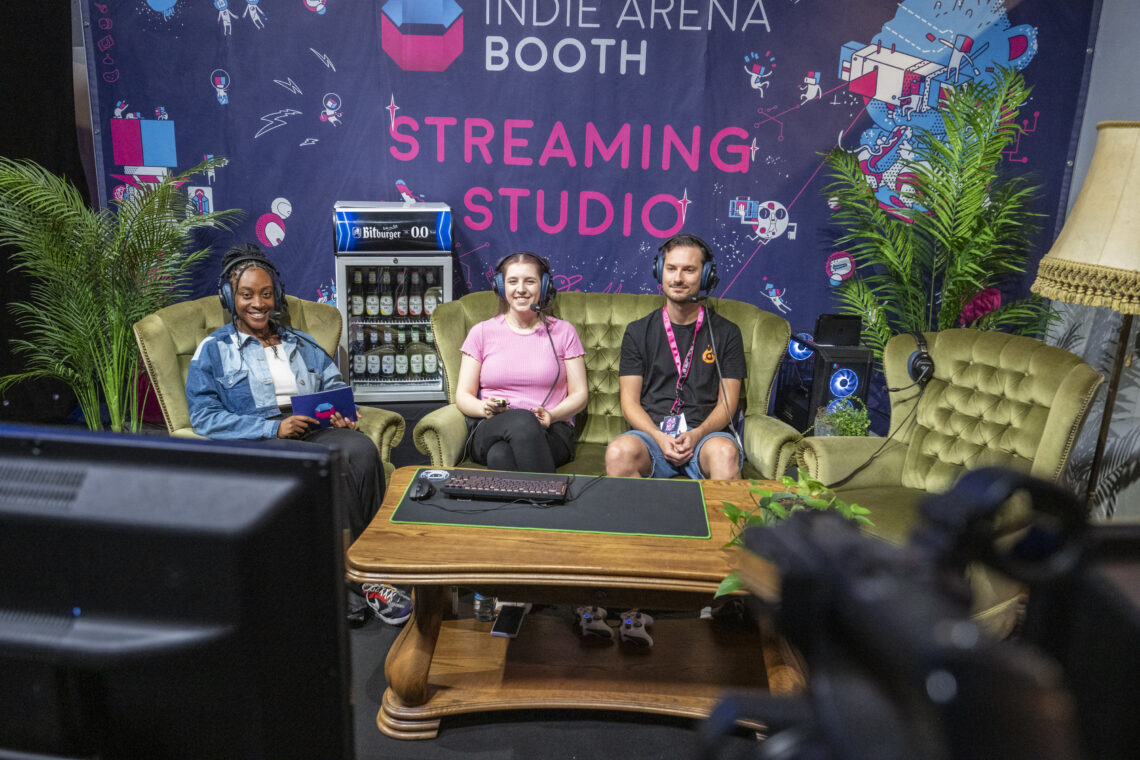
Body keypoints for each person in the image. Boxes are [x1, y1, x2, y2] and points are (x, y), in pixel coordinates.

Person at [185, 243, 410, 626]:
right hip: (260, 436)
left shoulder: (299, 343)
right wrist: (273, 426)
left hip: (309, 427)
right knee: (323, 467)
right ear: (229, 297)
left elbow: (333, 381)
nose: (258, 303)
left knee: (361, 450)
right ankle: (347, 582)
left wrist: (341, 414)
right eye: (247, 294)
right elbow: (204, 416)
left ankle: (375, 569)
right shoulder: (214, 349)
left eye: (266, 293)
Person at [605, 233, 746, 480]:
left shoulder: (727, 332)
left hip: (705, 438)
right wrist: (658, 436)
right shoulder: (638, 331)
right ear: (660, 271)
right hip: (652, 437)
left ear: (706, 276)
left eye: (689, 270)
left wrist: (696, 434)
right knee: (618, 452)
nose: (678, 278)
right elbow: (629, 403)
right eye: (671, 269)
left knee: (725, 453)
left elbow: (727, 404)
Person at [455, 252, 588, 472]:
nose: (521, 289)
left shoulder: (564, 332)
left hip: (552, 431)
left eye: (530, 281)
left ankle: (525, 504)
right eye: (513, 281)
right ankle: (551, 499)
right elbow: (462, 396)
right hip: (491, 427)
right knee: (522, 421)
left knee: (500, 455)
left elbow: (580, 395)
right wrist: (484, 408)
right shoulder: (481, 333)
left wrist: (552, 415)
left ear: (543, 286)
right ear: (501, 286)